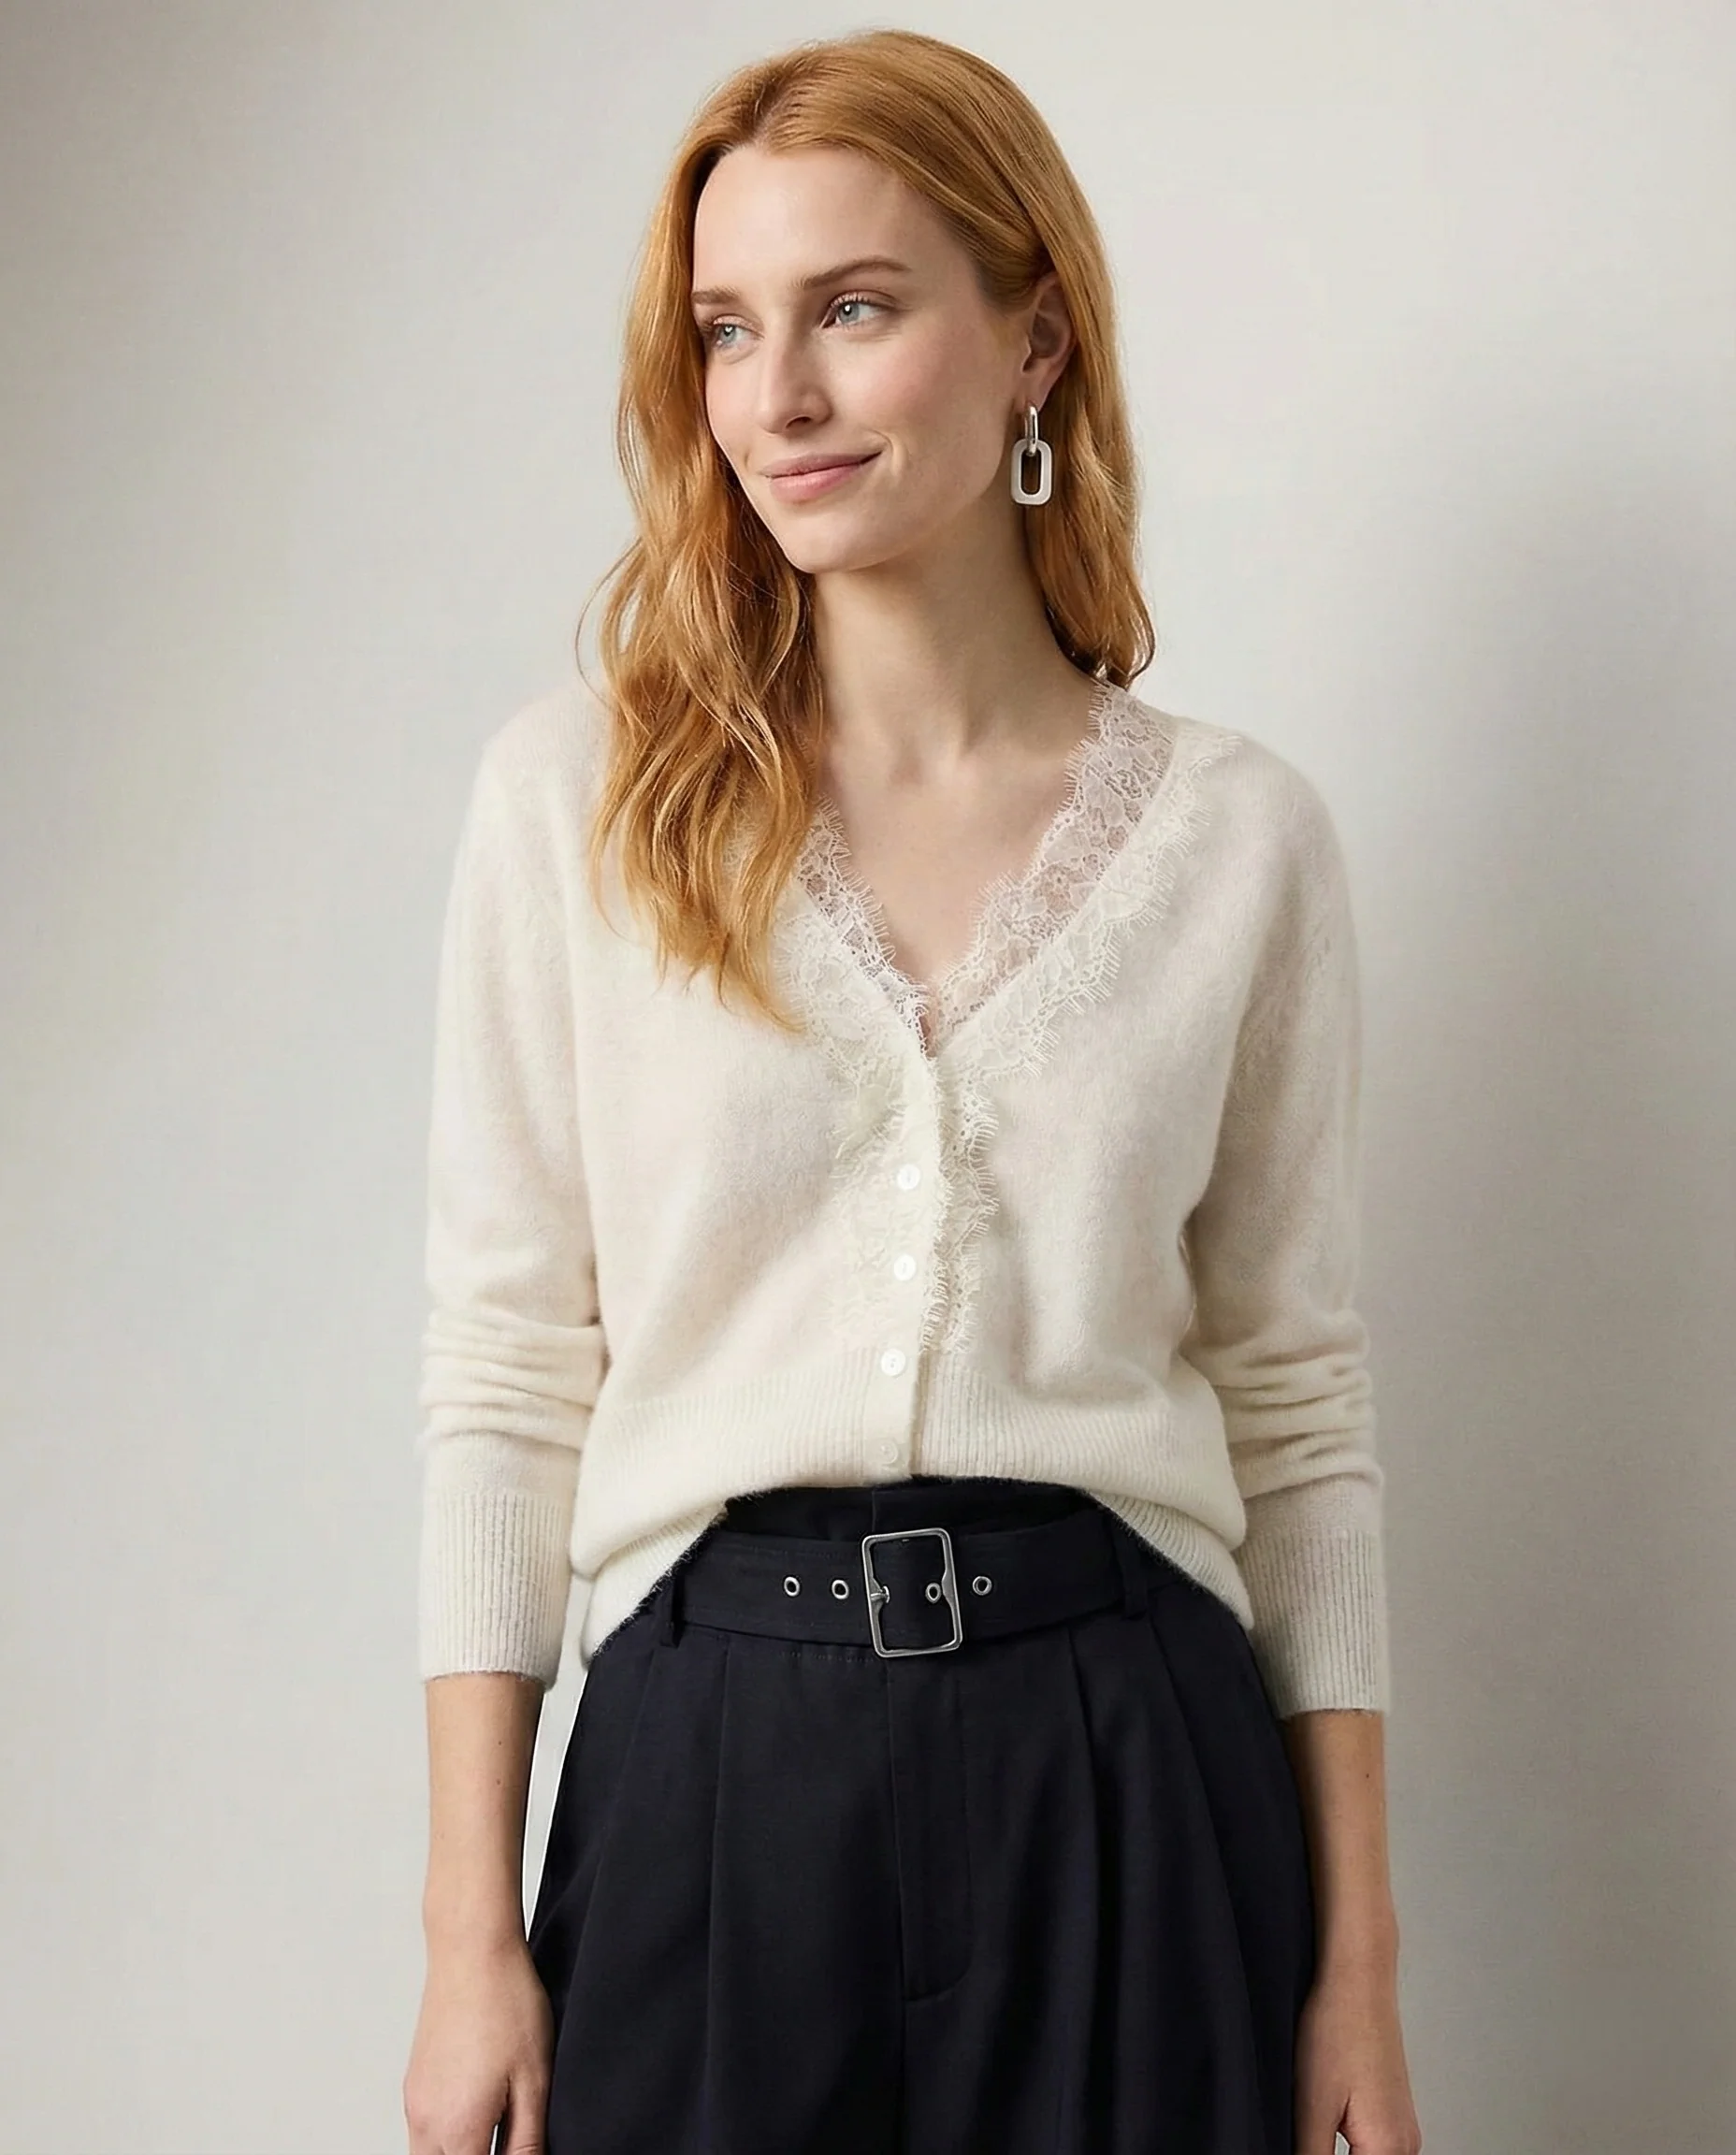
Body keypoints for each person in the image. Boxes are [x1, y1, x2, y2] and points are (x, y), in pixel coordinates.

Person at [402, 27, 1423, 2155]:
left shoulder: (1238, 843)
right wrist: (464, 1933)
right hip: (710, 1771)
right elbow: (507, 1370)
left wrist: (1359, 1970)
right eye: (725, 330)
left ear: (1032, 336)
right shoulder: (582, 806)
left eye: (852, 309)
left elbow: (1295, 1405)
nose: (776, 396)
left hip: (1125, 1771)